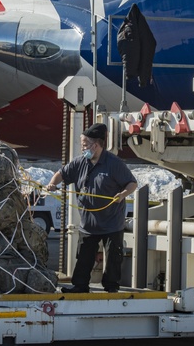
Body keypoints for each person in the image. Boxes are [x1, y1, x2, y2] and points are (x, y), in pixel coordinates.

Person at [46, 122, 137, 293]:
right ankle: (80, 286)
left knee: (112, 257)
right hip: (88, 222)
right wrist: (52, 183)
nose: (83, 148)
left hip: (111, 221)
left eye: (85, 145)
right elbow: (62, 174)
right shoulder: (80, 162)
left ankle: (111, 288)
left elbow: (132, 183)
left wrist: (122, 195)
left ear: (95, 145)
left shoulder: (114, 164)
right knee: (84, 256)